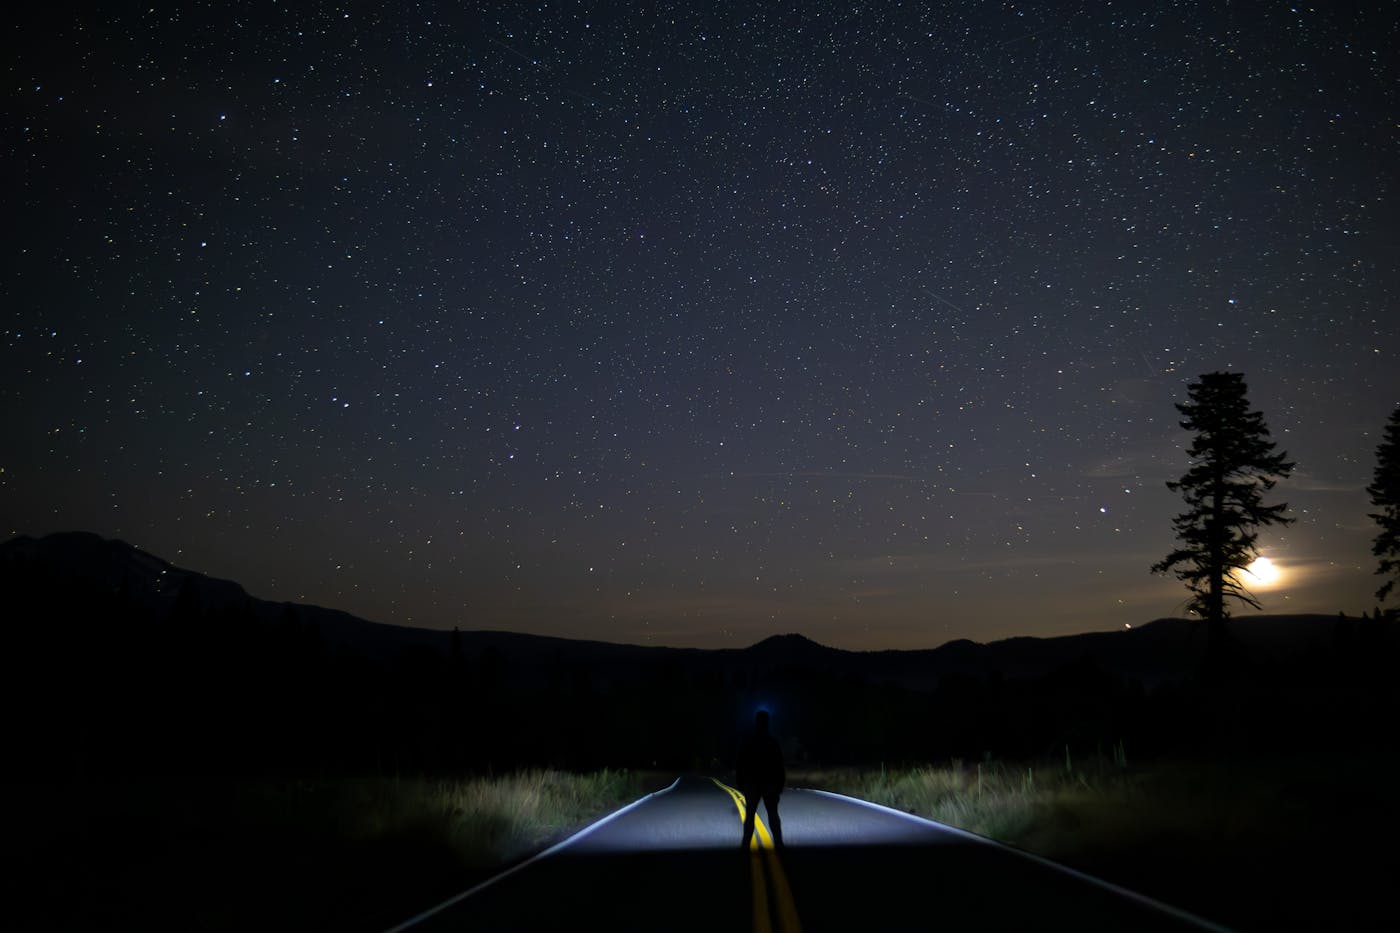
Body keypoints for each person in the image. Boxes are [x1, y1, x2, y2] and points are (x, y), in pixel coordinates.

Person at [736, 709, 785, 849]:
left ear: (756, 722)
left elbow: (740, 763)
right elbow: (779, 765)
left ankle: (745, 845)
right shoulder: (772, 742)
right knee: (773, 814)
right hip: (769, 783)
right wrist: (780, 784)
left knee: (750, 814)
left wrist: (741, 782)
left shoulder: (748, 741)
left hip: (752, 783)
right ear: (767, 723)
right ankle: (779, 843)